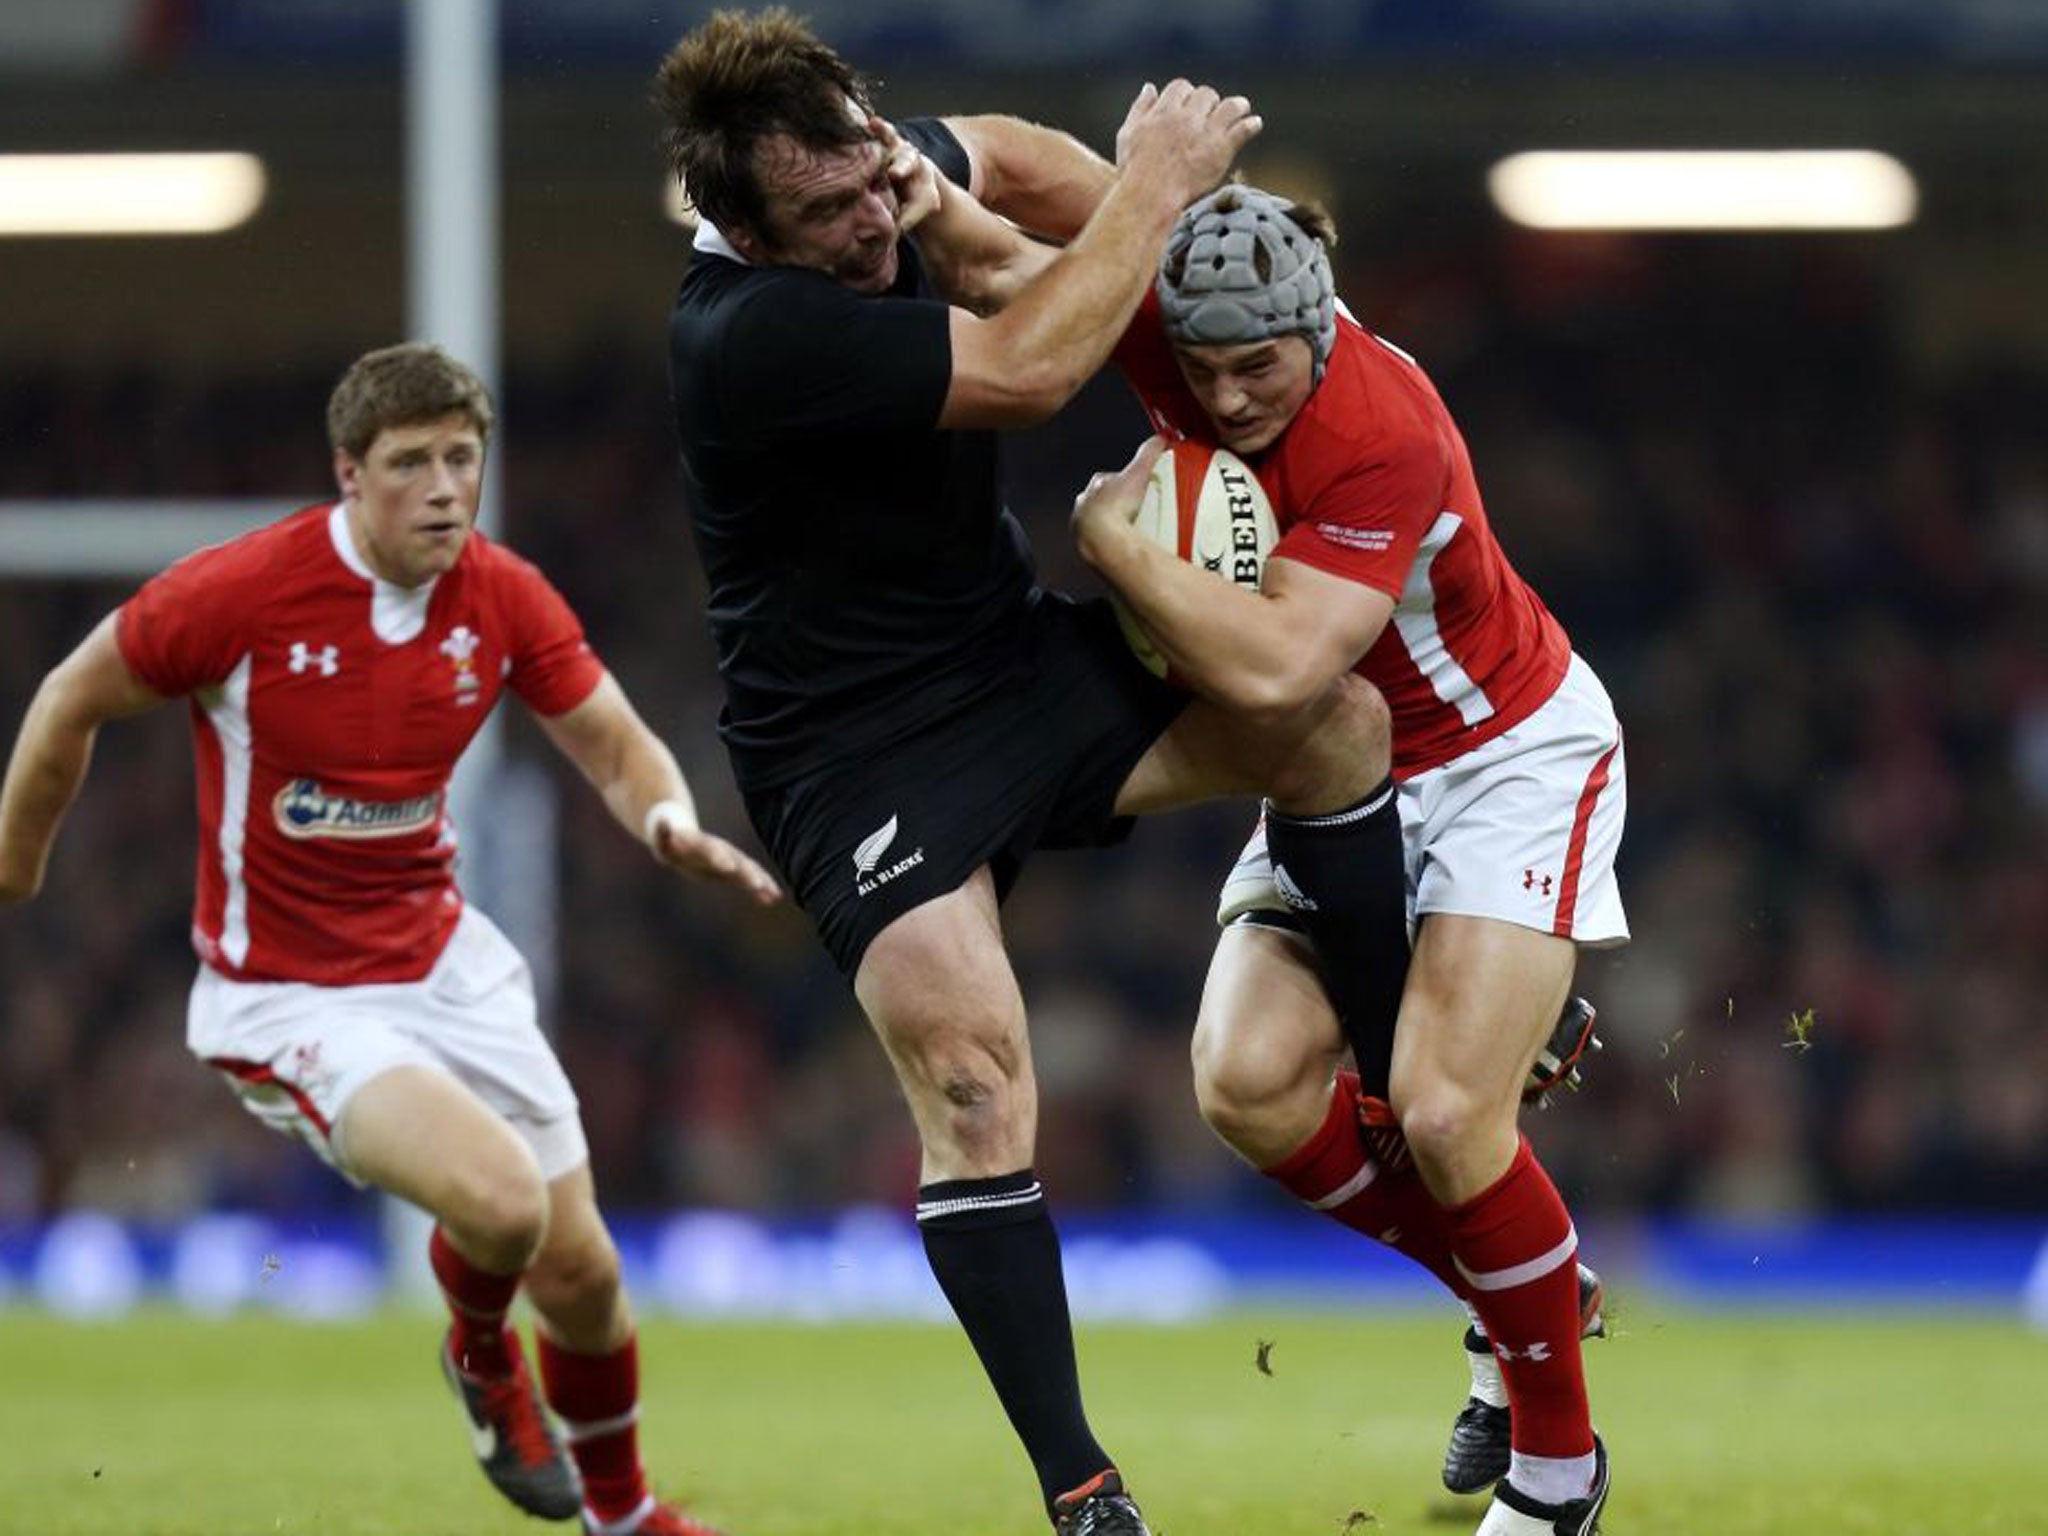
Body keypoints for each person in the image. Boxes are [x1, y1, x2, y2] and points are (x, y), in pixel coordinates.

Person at [653, 12, 1421, 1534]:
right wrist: (1153, 182)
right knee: (975, 1080)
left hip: (1004, 657)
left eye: (876, 177)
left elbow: (996, 155)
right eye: (827, 216)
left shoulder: (875, 168)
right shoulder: (745, 335)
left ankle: (1403, 1073)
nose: (877, 219)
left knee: (1332, 723)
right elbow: (1027, 366)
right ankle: (1083, 1490)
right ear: (740, 229)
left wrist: (1175, 233)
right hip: (849, 748)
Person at [0, 342, 783, 1536]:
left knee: (582, 1276)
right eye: (409, 462)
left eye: (460, 459)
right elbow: (71, 694)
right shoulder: (242, 594)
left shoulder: (501, 594)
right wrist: (13, 867)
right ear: (348, 475)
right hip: (291, 998)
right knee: (504, 1206)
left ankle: (620, 1519)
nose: (441, 487)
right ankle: (478, 1358)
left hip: (444, 965)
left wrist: (667, 817)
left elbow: (618, 748)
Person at [1064, 186, 1628, 1536]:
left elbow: (1276, 664)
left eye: (1256, 364)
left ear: (1320, 328)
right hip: (1344, 768)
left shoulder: (1381, 425)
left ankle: (1559, 1474)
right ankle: (1521, 1297)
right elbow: (1034, 207)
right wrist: (921, 168)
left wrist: (1108, 545)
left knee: (1441, 1114)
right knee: (1245, 1080)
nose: (1229, 394)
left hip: (1505, 758)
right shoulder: (1198, 350)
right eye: (1201, 369)